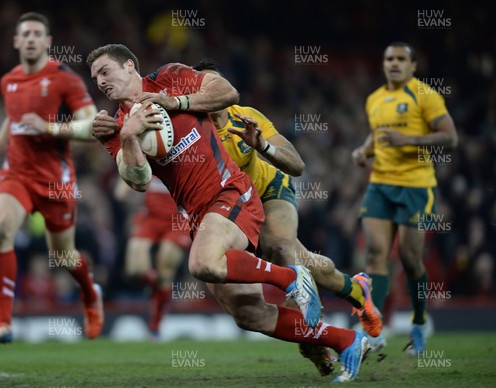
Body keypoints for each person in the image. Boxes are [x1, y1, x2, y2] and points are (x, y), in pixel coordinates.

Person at [88, 43, 368, 383]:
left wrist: (175, 103)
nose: (100, 81)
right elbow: (139, 182)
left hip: (230, 192)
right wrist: (130, 138)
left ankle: (293, 278)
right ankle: (346, 340)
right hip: (198, 216)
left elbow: (227, 91)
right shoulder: (114, 126)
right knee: (249, 314)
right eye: (95, 78)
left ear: (130, 66)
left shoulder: (171, 78)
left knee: (202, 263)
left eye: (105, 71)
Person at [0, 12, 104, 343]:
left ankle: (90, 294)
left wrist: (50, 127)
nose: (30, 39)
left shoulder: (65, 79)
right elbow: (11, 118)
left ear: (47, 42)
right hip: (15, 172)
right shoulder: (9, 81)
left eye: (37, 34)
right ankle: (2, 322)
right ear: (16, 41)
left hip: (54, 179)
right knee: (2, 230)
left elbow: (93, 125)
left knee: (62, 256)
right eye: (25, 34)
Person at [351, 42, 458, 354]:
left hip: (417, 186)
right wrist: (364, 150)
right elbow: (378, 133)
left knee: (411, 260)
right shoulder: (374, 99)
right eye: (389, 59)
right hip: (381, 184)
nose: (394, 63)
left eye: (401, 59)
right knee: (375, 254)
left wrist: (409, 139)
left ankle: (419, 322)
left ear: (413, 66)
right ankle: (374, 328)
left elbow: (450, 137)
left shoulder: (425, 95)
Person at [114, 176, 191, 338]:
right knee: (135, 270)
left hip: (178, 220)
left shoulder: (188, 156)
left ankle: (155, 325)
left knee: (166, 263)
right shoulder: (149, 155)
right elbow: (121, 190)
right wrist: (126, 185)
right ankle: (156, 287)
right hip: (150, 217)